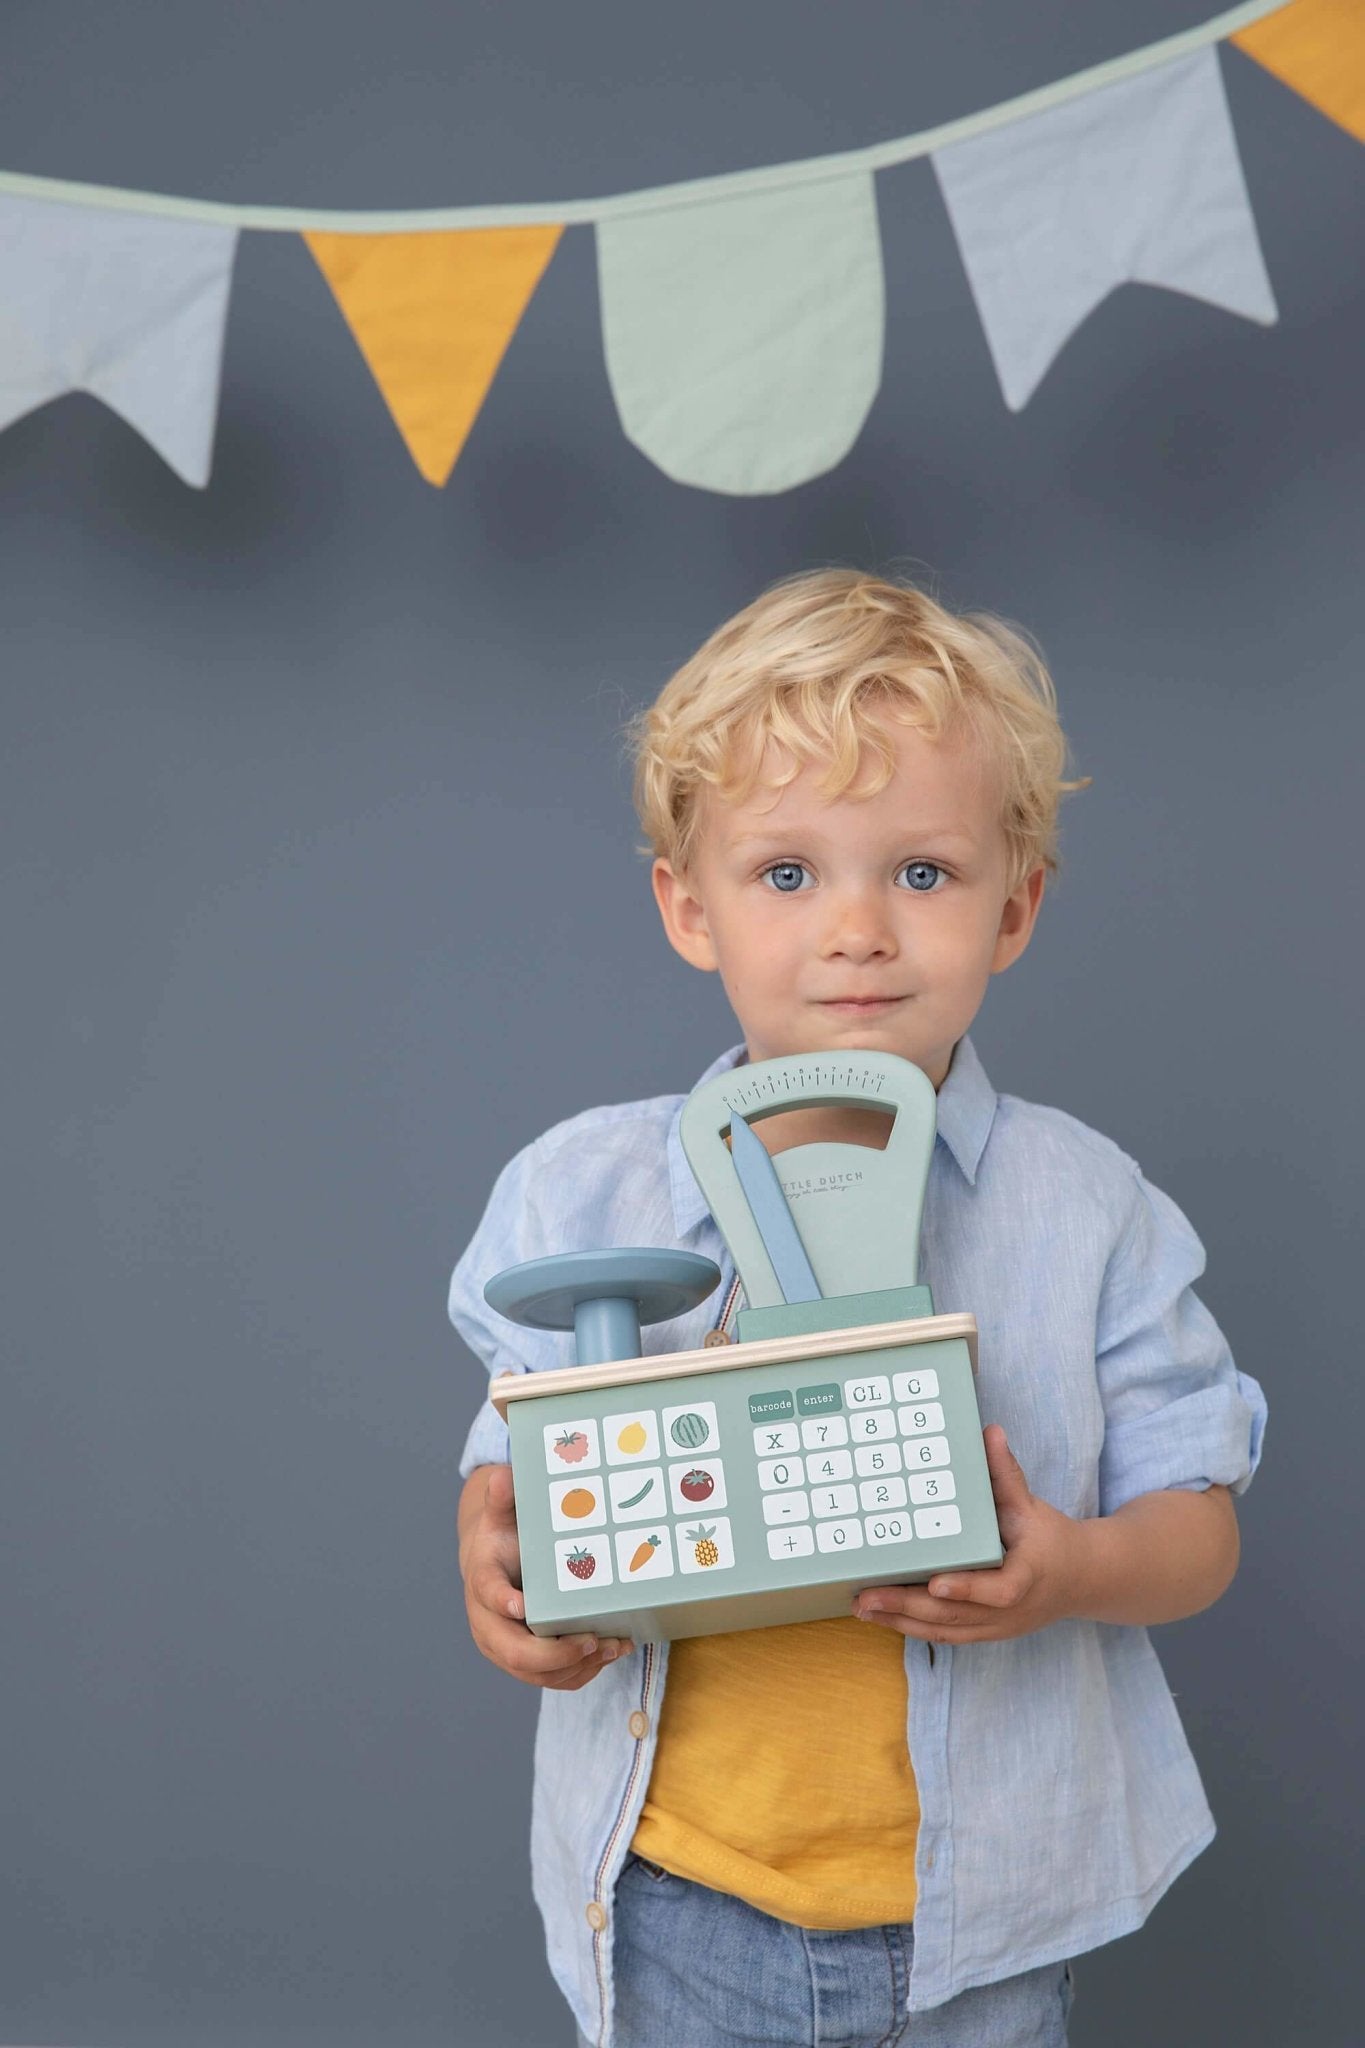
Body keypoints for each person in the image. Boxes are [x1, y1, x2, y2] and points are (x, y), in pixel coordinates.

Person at [451, 568, 1267, 2048]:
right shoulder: (578, 1196)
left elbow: (1197, 1529)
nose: (855, 932)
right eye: (784, 874)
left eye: (920, 872)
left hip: (990, 1915)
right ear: (683, 907)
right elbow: (504, 1478)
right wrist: (504, 1575)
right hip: (677, 1895)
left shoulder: (1090, 1211)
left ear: (1012, 907)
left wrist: (1069, 1568)